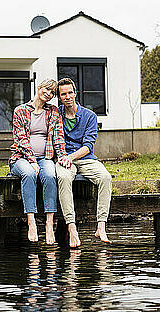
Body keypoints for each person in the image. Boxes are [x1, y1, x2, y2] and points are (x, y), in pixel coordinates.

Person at [55, 77, 112, 248]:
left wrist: (70, 157)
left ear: (75, 93)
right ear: (59, 97)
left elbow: (88, 146)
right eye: (63, 94)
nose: (67, 97)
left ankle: (101, 226)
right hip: (64, 159)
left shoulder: (89, 116)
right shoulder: (55, 115)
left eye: (70, 93)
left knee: (105, 178)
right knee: (63, 178)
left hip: (84, 159)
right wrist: (64, 158)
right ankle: (72, 228)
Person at [9, 78, 67, 244]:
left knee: (49, 175)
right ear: (39, 87)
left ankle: (49, 223)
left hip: (45, 157)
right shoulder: (20, 110)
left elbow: (58, 136)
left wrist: (62, 156)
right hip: (21, 158)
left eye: (52, 93)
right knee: (28, 174)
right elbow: (20, 139)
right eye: (46, 89)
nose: (48, 94)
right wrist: (32, 160)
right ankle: (31, 221)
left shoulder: (53, 111)